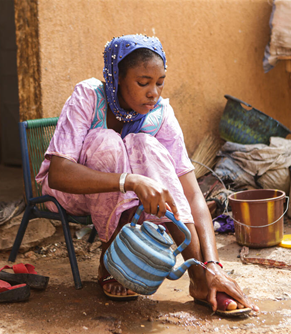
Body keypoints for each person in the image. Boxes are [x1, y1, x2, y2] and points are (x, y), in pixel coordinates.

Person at [35, 34, 259, 314]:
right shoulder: (89, 96)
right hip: (71, 192)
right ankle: (111, 256)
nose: (153, 92)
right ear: (116, 78)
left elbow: (191, 194)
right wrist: (130, 180)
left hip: (128, 199)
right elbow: (59, 174)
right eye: (143, 83)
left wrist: (213, 263)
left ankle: (201, 278)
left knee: (145, 145)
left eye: (160, 82)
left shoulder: (160, 113)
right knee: (107, 142)